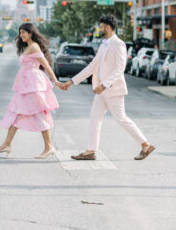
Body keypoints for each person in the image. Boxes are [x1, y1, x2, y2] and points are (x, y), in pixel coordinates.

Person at [66, 14, 155, 161]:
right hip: (101, 91)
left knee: (121, 119)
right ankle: (90, 151)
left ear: (108, 27)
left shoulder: (118, 44)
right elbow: (92, 66)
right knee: (95, 118)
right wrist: (72, 81)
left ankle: (146, 145)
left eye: (101, 27)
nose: (99, 29)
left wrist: (104, 85)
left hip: (113, 90)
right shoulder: (103, 45)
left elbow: (120, 68)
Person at [0, 22, 65, 159]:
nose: (21, 35)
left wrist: (55, 81)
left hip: (34, 85)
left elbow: (46, 65)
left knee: (39, 113)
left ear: (31, 33)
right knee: (17, 113)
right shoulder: (28, 47)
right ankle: (7, 143)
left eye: (23, 33)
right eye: (20, 33)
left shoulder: (34, 46)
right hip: (26, 86)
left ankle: (49, 146)